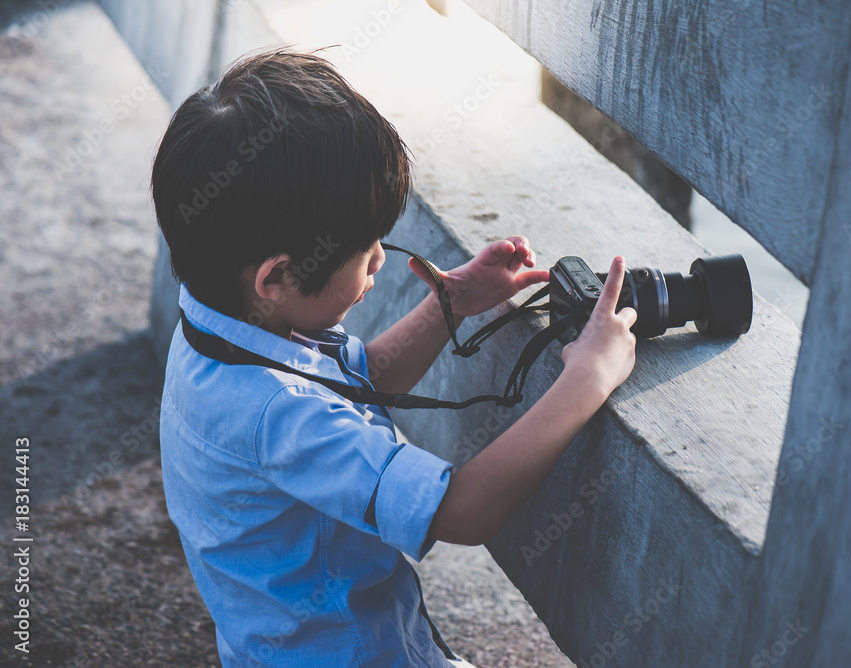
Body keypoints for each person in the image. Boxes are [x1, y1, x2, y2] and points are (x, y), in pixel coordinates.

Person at [151, 48, 636, 667]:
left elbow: (358, 380)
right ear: (275, 278)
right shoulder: (279, 414)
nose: (379, 259)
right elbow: (463, 510)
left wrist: (452, 301)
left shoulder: (214, 325)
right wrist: (587, 377)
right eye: (362, 248)